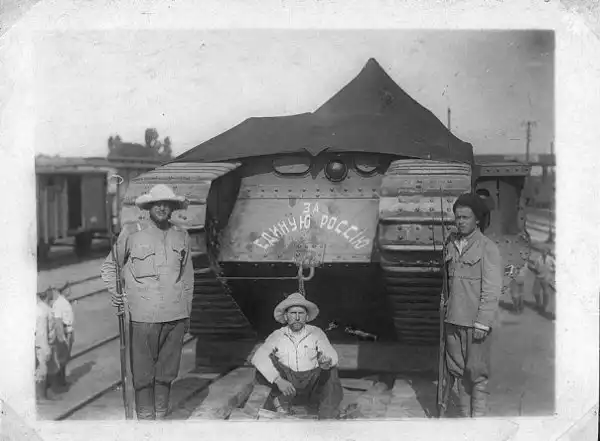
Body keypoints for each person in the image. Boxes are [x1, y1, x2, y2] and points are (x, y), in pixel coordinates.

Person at [100, 184, 194, 420]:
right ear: (149, 207)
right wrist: (115, 293)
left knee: (167, 373)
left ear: (172, 208)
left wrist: (187, 315)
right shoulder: (132, 232)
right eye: (157, 204)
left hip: (175, 316)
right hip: (143, 317)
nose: (162, 208)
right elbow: (110, 266)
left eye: (167, 204)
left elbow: (187, 279)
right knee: (142, 376)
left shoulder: (182, 235)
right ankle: (145, 423)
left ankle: (160, 420)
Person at [443, 193, 503, 418]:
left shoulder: (488, 247)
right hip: (453, 320)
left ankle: (477, 423)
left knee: (477, 374)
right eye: (457, 217)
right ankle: (464, 421)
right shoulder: (451, 244)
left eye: (465, 217)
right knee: (458, 372)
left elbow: (492, 289)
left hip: (474, 323)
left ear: (477, 219)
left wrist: (482, 323)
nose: (460, 222)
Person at [250, 292, 344, 419]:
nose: (297, 317)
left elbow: (330, 353)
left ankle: (327, 417)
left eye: (301, 313)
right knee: (261, 371)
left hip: (311, 387)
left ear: (307, 316)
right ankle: (271, 411)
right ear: (286, 316)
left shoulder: (316, 332)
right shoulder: (277, 335)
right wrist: (278, 380)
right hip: (287, 388)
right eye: (293, 313)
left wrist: (326, 361)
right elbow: (258, 357)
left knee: (331, 371)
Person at [46, 286, 75, 389]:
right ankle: (59, 382)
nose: (70, 291)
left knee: (64, 357)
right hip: (65, 332)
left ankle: (60, 381)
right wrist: (63, 338)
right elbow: (58, 323)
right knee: (62, 358)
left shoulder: (61, 302)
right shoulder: (59, 303)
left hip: (68, 331)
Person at [35, 289, 55, 401]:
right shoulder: (43, 311)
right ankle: (41, 398)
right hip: (41, 346)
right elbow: (42, 333)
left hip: (38, 345)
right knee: (41, 372)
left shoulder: (39, 308)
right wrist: (46, 349)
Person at [528, 248, 556, 318]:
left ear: (547, 252)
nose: (543, 253)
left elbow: (556, 266)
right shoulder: (538, 259)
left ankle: (544, 306)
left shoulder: (550, 259)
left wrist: (552, 270)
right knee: (535, 291)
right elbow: (535, 268)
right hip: (538, 277)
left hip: (546, 277)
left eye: (545, 251)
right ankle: (538, 304)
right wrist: (531, 268)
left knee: (545, 292)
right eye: (542, 251)